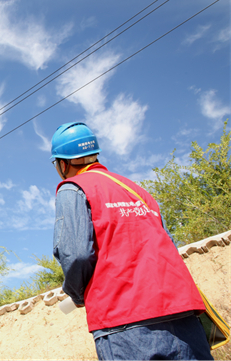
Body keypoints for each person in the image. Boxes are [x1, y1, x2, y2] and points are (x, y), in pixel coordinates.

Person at [50, 122, 212, 360]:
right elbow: (168, 243)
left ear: (63, 164)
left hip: (124, 321)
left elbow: (76, 254)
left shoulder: (73, 189)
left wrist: (76, 294)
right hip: (183, 314)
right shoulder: (137, 190)